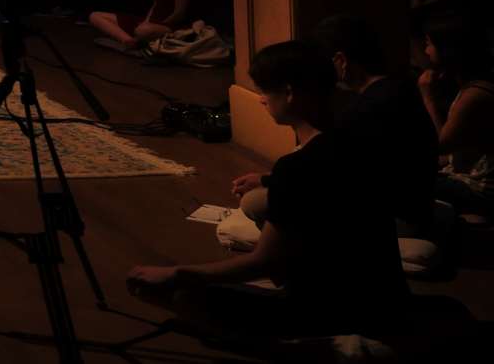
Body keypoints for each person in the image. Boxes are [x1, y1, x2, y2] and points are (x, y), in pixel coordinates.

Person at [126, 41, 408, 342]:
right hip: (388, 302)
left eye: (264, 91)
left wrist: (179, 272)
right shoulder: (359, 143)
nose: (261, 100)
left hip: (331, 315)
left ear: (289, 93)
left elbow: (266, 262)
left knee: (164, 289)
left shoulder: (298, 167)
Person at [222, 14, 441, 254]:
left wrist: (269, 181)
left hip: (394, 214)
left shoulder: (367, 111)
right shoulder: (397, 88)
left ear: (340, 60)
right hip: (414, 202)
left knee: (253, 202)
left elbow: (340, 178)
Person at [416, 8, 494, 214]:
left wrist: (427, 97)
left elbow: (439, 146)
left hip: (478, 189)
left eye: (429, 43)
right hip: (461, 180)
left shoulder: (476, 95)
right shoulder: (468, 89)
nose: (426, 51)